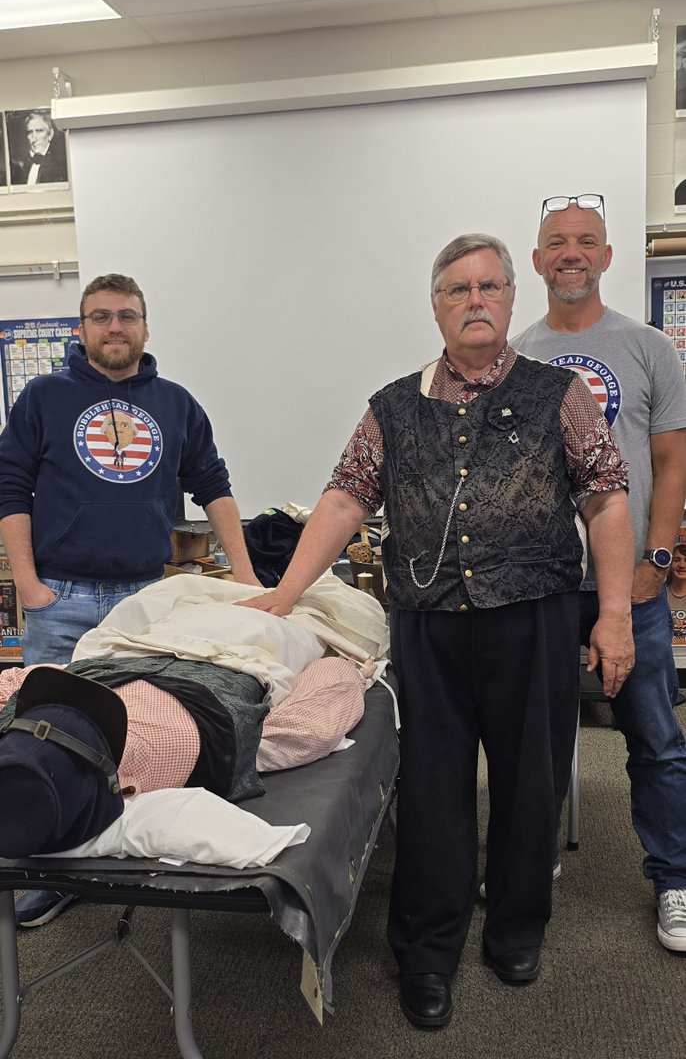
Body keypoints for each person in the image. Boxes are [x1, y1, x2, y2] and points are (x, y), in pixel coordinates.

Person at [240, 232, 635, 1029]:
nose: (476, 301)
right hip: (428, 628)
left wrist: (618, 613)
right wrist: (282, 595)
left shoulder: (562, 394)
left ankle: (519, 926)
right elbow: (346, 499)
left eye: (489, 287)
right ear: (437, 305)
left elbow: (607, 500)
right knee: (430, 794)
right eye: (459, 289)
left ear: (511, 299)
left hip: (537, 620)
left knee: (533, 785)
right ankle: (428, 950)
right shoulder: (393, 404)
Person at [0, 272, 260, 925]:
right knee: (51, 738)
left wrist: (247, 575)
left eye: (127, 315)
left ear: (146, 326)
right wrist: (29, 585)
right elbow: (10, 490)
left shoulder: (174, 404)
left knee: (143, 735)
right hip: (60, 601)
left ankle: (136, 862)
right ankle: (56, 870)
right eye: (100, 316)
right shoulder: (42, 398)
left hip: (144, 604)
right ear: (82, 329)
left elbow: (214, 485)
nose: (114, 327)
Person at [512, 193, 686, 955]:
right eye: (558, 242)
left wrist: (656, 562)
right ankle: (531, 862)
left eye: (587, 240)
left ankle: (675, 880)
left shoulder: (651, 348)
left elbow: (673, 461)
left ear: (608, 257)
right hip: (545, 589)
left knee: (655, 738)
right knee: (534, 738)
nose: (572, 252)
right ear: (538, 259)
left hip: (635, 589)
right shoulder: (517, 357)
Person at [10, 110, 69, 185]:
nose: (34, 138)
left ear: (50, 134)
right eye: (30, 132)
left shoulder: (61, 165)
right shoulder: (22, 165)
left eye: (39, 131)